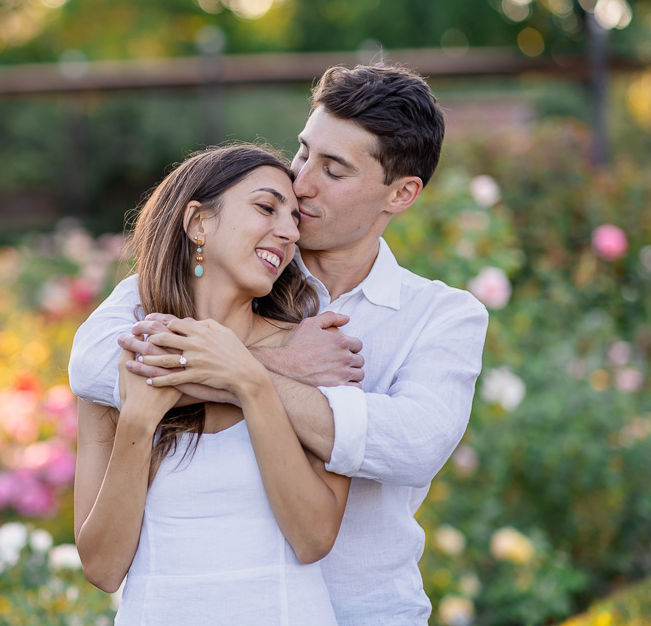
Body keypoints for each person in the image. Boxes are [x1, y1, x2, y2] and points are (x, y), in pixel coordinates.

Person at [69, 63, 489, 624]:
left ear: (401, 193)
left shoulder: (440, 315)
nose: (303, 181)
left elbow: (413, 445)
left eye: (333, 170)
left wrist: (246, 377)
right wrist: (271, 366)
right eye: (303, 152)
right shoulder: (200, 282)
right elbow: (92, 362)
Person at [74, 144, 350, 624]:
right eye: (266, 208)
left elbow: (313, 539)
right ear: (198, 222)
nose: (288, 232)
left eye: (293, 220)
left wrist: (251, 380)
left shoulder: (314, 354)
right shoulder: (129, 358)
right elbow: (102, 568)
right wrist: (139, 419)